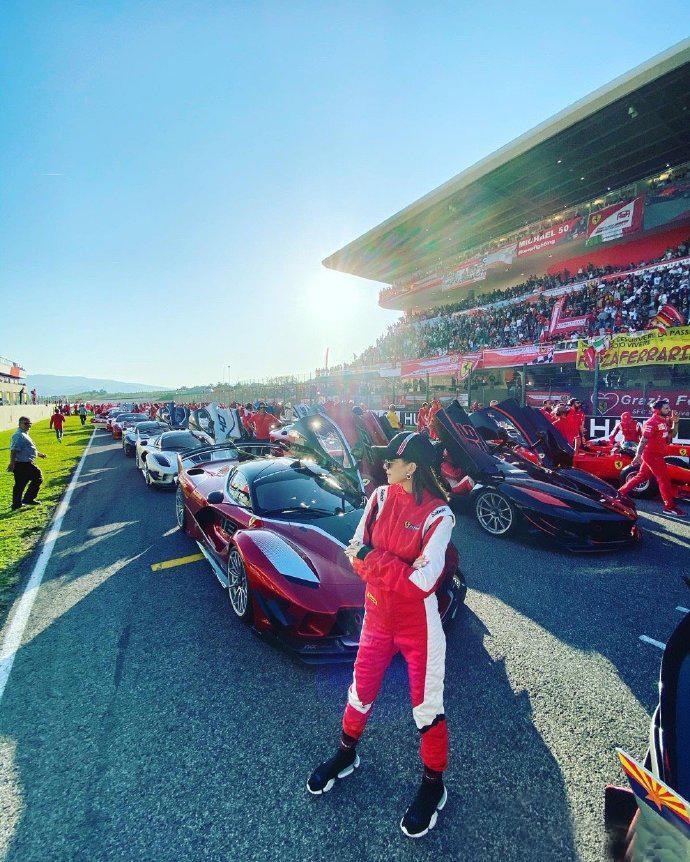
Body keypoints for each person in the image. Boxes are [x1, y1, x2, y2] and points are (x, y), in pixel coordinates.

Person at [307, 432, 455, 839]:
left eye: (391, 461)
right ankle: (346, 754)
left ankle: (433, 785)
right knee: (361, 689)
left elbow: (423, 582)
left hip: (418, 625)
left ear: (412, 467)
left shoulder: (440, 515)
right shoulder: (378, 497)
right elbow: (353, 550)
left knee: (426, 706)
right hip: (376, 616)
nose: (384, 466)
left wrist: (374, 559)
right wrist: (386, 564)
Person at [619, 398, 684, 516]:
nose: (669, 410)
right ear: (658, 410)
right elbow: (643, 440)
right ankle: (669, 507)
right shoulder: (651, 422)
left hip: (657, 455)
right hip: (652, 455)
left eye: (668, 408)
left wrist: (676, 422)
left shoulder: (665, 421)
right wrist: (638, 455)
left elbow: (672, 434)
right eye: (666, 408)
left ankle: (619, 493)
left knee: (642, 476)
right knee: (664, 479)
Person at [8, 417, 46, 510]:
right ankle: (26, 499)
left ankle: (18, 503)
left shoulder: (24, 434)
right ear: (20, 424)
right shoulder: (19, 435)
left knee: (21, 484)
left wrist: (39, 454)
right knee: (37, 478)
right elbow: (14, 450)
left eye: (29, 424)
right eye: (26, 423)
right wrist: (12, 463)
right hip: (22, 464)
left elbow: (28, 448)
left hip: (26, 463)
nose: (28, 425)